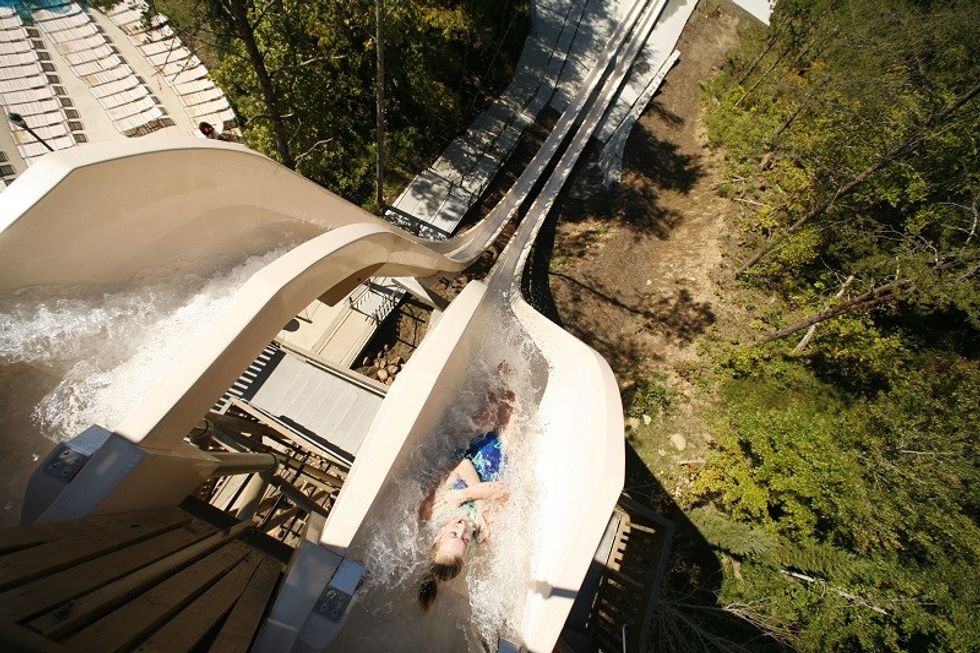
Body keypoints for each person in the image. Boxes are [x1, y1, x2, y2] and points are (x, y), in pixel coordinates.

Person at [417, 384, 516, 611]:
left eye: (453, 533)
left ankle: (497, 375)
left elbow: (462, 465)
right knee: (512, 420)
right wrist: (478, 502)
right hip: (499, 460)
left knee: (482, 416)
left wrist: (469, 496)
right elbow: (504, 490)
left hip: (470, 445)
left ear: (438, 536)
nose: (462, 528)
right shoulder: (484, 534)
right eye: (463, 540)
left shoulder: (432, 510)